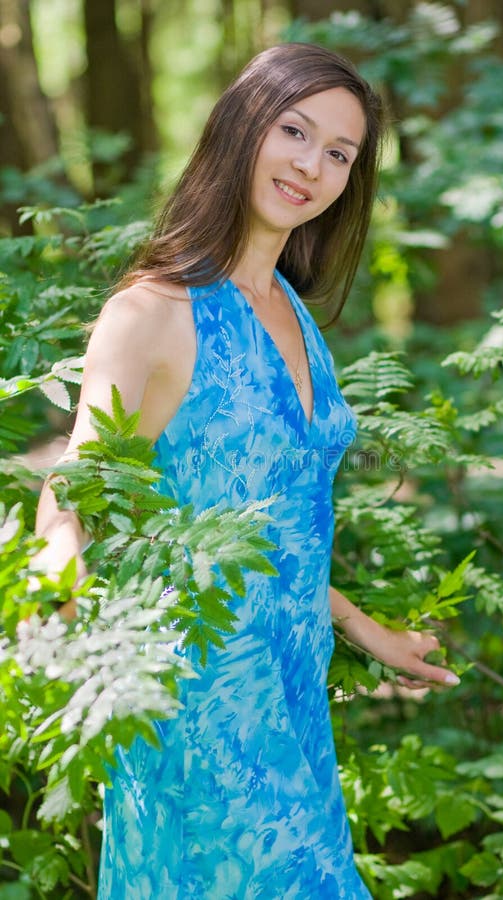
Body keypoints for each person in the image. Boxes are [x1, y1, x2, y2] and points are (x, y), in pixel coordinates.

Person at [35, 42, 460, 899]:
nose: (313, 164)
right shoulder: (150, 312)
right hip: (196, 700)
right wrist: (57, 560)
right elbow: (76, 485)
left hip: (289, 687)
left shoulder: (295, 314)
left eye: (339, 153)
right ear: (241, 127)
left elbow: (266, 521)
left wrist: (361, 625)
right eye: (294, 130)